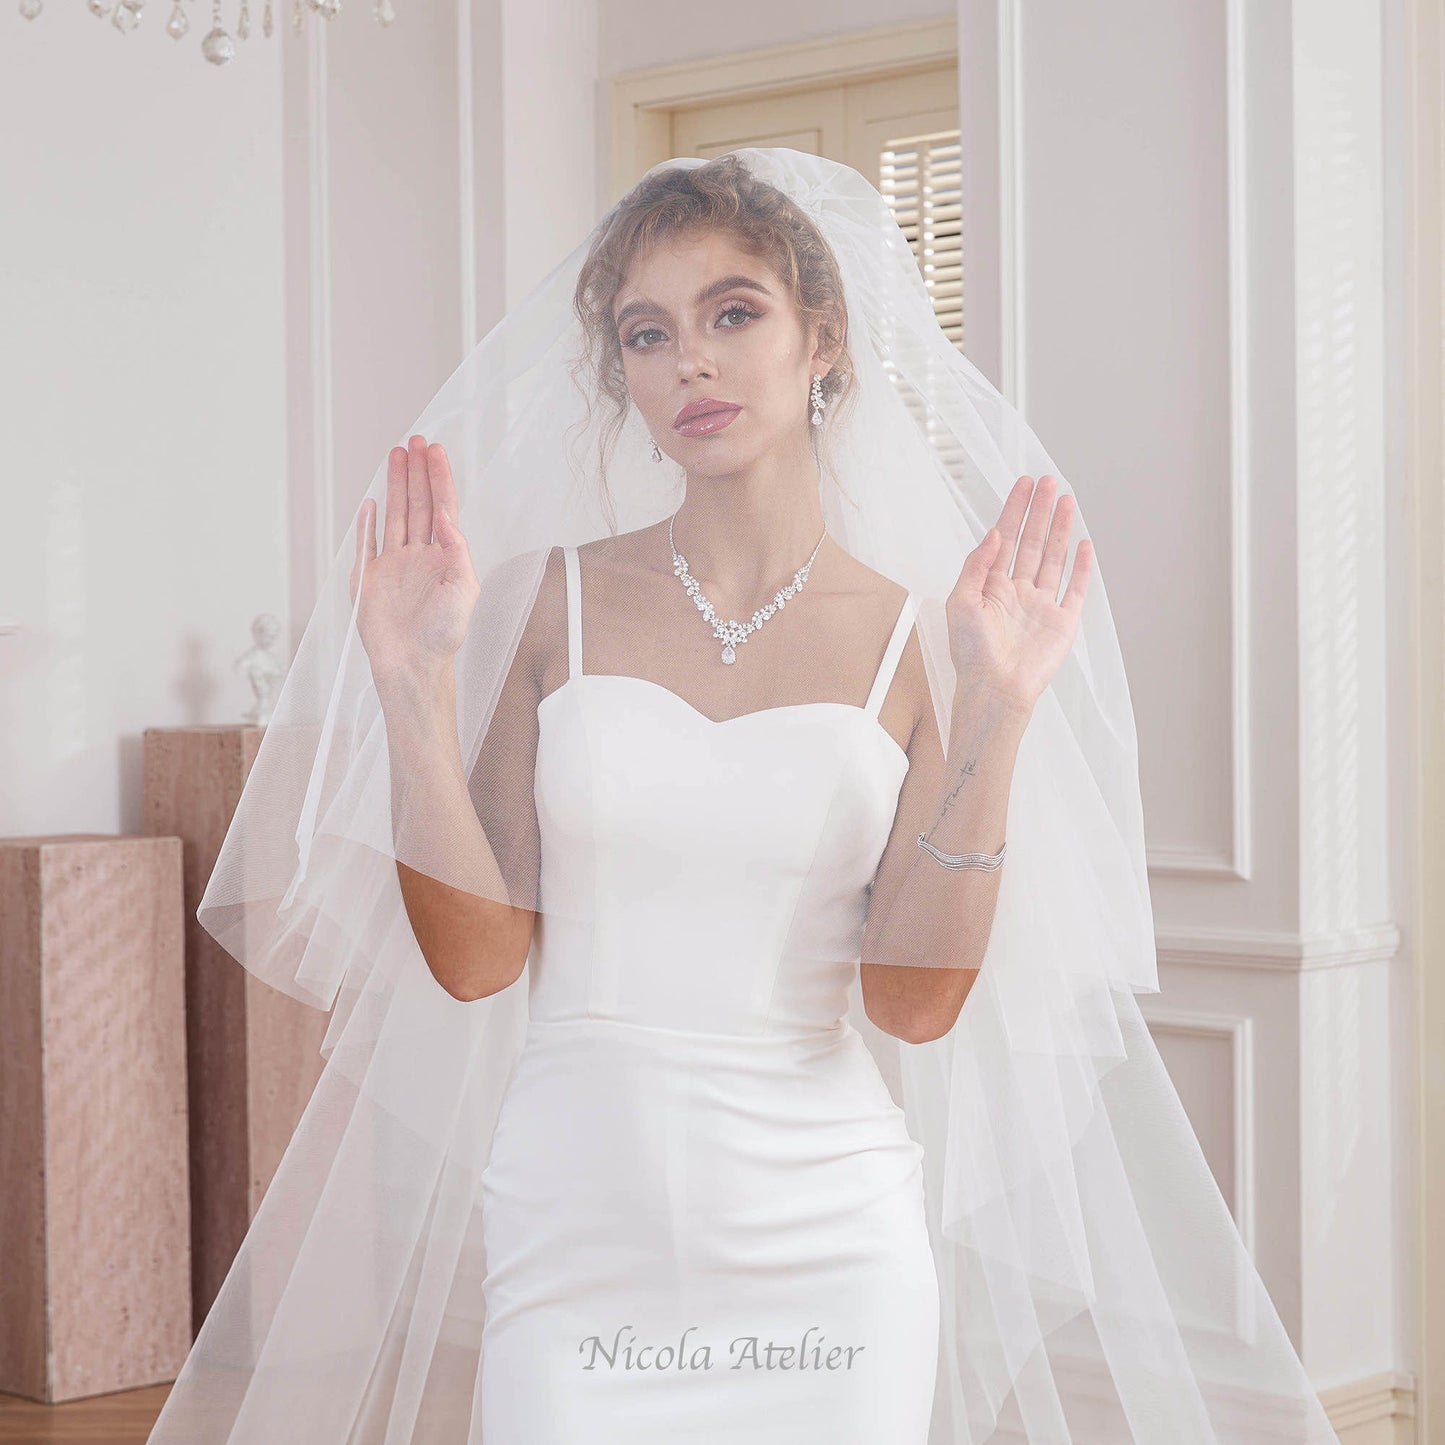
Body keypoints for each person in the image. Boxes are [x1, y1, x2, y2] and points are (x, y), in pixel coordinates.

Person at [147, 149, 1339, 1443]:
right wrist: (409, 685)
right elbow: (479, 958)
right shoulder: (555, 600)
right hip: (574, 1223)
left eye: (732, 313)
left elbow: (912, 1002)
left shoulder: (914, 637)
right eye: (645, 334)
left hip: (824, 1233)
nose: (688, 363)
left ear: (821, 335)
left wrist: (995, 711)